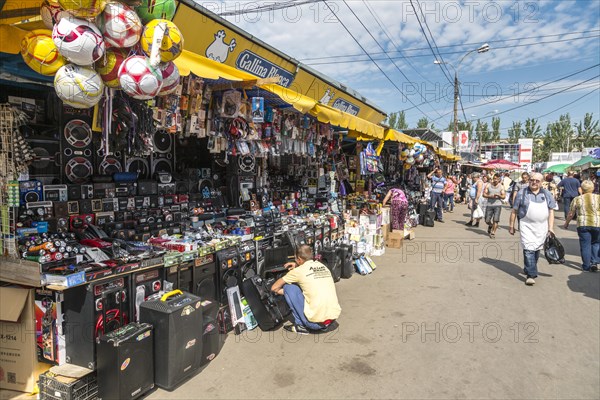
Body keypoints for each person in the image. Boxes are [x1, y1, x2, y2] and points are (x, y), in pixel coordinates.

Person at [271, 245, 341, 334]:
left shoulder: (298, 272)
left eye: (295, 259)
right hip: (331, 320)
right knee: (307, 286)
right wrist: (297, 265)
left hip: (315, 324)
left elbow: (274, 288)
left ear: (299, 259)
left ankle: (300, 326)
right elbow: (307, 272)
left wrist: (288, 294)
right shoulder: (322, 266)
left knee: (289, 287)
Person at [509, 172, 556, 285]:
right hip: (526, 226)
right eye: (532, 180)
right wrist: (511, 225)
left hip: (542, 227)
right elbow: (514, 210)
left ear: (541, 182)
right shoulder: (522, 192)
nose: (534, 182)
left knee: (536, 250)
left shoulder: (546, 194)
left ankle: (529, 267)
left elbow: (551, 211)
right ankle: (531, 274)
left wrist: (551, 228)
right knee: (528, 248)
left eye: (537, 181)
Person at [563, 180, 599, 272]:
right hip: (597, 224)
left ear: (582, 189)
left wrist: (567, 223)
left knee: (585, 245)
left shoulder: (577, 199)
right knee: (596, 243)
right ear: (593, 188)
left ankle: (586, 267)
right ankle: (594, 262)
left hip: (582, 224)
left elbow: (571, 213)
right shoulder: (598, 198)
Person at [483, 173, 506, 238]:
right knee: (487, 220)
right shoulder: (488, 185)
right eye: (494, 178)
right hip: (489, 204)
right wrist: (490, 196)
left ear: (499, 180)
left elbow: (504, 196)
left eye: (497, 179)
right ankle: (490, 225)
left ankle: (493, 233)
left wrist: (499, 195)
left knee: (496, 220)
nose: (495, 180)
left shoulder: (501, 186)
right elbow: (484, 194)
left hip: (498, 205)